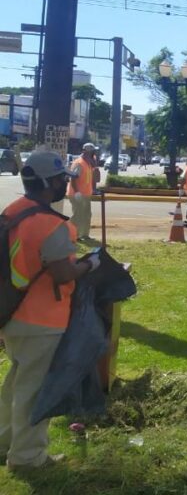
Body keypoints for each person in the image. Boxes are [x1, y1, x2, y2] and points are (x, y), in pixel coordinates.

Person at [0, 150, 101, 469]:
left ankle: (4, 440)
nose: (64, 185)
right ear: (45, 182)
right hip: (42, 319)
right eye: (60, 180)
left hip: (13, 314)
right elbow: (62, 273)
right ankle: (28, 457)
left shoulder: (14, 212)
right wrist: (89, 265)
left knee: (15, 385)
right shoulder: (50, 224)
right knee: (33, 391)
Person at [67, 143, 98, 243]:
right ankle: (71, 235)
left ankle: (84, 235)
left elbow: (94, 177)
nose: (94, 154)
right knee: (78, 216)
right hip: (77, 194)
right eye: (92, 152)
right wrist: (77, 193)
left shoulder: (89, 162)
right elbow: (73, 178)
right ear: (87, 152)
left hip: (86, 194)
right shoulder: (79, 163)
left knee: (86, 215)